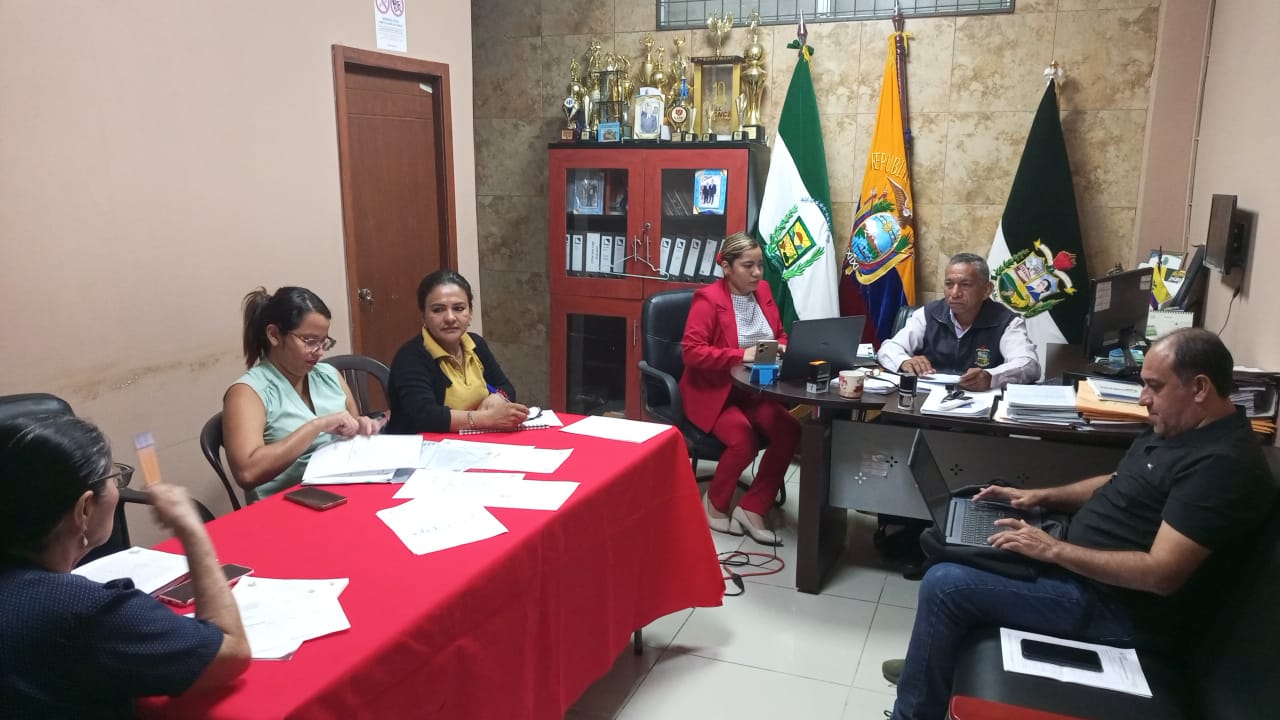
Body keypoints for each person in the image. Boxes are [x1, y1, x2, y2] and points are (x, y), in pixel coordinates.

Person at [885, 328, 1277, 720]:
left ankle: (914, 707)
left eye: (1154, 387)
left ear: (1200, 388)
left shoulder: (1220, 466)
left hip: (1117, 609)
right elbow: (1121, 482)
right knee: (958, 540)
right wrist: (1040, 497)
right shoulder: (1182, 428)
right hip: (1082, 570)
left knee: (944, 586)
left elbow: (1161, 574)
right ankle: (929, 663)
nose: (1143, 399)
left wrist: (1053, 550)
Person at [0, 414, 250, 716]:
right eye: (113, 479)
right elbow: (230, 653)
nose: (117, 490)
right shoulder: (86, 610)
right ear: (85, 508)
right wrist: (191, 529)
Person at [680, 232, 800, 546]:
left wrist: (782, 347)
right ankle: (715, 504)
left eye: (760, 265)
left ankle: (752, 508)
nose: (757, 273)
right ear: (727, 267)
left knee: (790, 430)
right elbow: (691, 352)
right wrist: (741, 355)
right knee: (744, 441)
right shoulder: (708, 299)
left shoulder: (763, 291)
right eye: (748, 266)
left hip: (755, 388)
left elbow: (780, 334)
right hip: (715, 392)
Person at [223, 287, 384, 502]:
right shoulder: (247, 393)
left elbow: (353, 432)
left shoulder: (329, 376)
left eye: (324, 342)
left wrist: (361, 427)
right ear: (274, 335)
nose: (320, 351)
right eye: (310, 341)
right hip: (286, 504)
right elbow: (247, 472)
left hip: (339, 491)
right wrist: (317, 426)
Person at [386, 270, 529, 434]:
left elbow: (506, 387)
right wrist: (487, 419)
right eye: (438, 310)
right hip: (423, 445)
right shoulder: (410, 357)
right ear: (423, 316)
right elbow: (425, 416)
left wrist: (498, 397)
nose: (450, 318)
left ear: (470, 313)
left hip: (477, 440)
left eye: (459, 308)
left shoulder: (476, 344)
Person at [878, 252, 1039, 390]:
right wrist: (904, 361)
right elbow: (888, 348)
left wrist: (991, 376)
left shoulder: (1007, 322)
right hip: (925, 400)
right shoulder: (928, 314)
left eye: (965, 285)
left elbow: (1028, 364)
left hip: (979, 406)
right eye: (949, 284)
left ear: (986, 290)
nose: (954, 293)